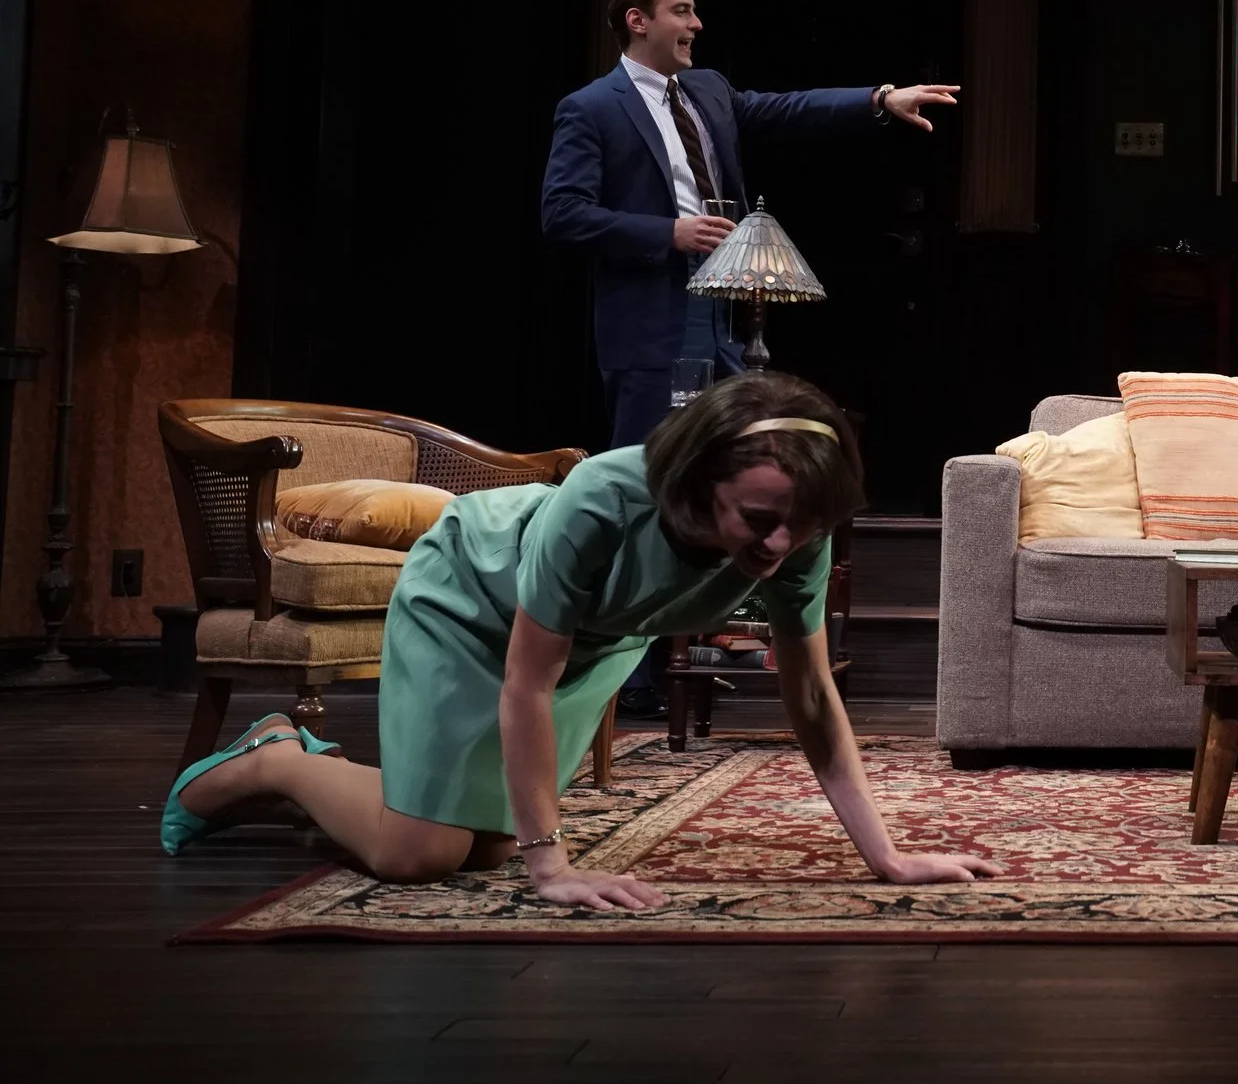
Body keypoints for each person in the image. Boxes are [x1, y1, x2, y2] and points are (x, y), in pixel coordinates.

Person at [159, 372, 1002, 905]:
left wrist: (887, 856)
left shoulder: (794, 530)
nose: (783, 544)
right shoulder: (604, 495)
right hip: (467, 600)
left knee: (488, 847)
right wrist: (553, 868)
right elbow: (526, 681)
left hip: (596, 642)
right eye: (759, 518)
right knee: (422, 853)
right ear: (699, 482)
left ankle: (349, 777)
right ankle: (278, 757)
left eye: (806, 524)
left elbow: (811, 696)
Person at [542, 0, 959, 450]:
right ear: (638, 21)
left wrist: (880, 99)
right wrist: (669, 232)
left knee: (735, 453)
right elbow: (563, 212)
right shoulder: (592, 107)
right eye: (682, 11)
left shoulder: (708, 89)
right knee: (654, 462)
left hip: (727, 298)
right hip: (655, 312)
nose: (696, 24)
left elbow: (788, 109)